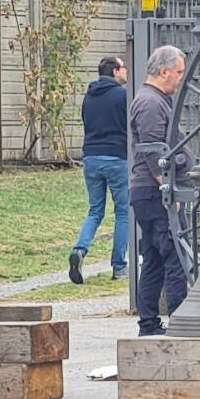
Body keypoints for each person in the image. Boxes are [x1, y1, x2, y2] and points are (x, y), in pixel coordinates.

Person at [129, 45, 191, 336]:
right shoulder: (151, 103)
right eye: (179, 72)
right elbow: (154, 151)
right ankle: (178, 321)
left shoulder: (154, 100)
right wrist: (167, 188)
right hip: (157, 194)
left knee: (154, 259)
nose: (181, 78)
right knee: (174, 257)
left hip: (150, 192)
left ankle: (150, 323)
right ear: (164, 71)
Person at [69, 57, 130, 285]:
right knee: (124, 212)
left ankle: (80, 250)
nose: (126, 71)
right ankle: (119, 266)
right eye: (124, 67)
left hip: (91, 156)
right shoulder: (122, 96)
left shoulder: (89, 96)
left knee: (95, 211)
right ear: (115, 71)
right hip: (116, 157)